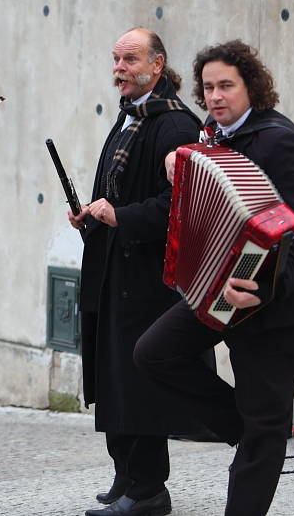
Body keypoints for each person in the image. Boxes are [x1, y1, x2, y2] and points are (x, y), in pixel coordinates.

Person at [134, 40, 294, 516]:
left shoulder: (280, 140)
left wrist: (263, 288)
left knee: (263, 430)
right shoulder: (209, 136)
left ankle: (261, 435)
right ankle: (256, 431)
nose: (216, 96)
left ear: (250, 88)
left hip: (270, 306)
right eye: (209, 87)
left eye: (226, 86)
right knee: (153, 353)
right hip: (216, 290)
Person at [68, 28, 211, 516]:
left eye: (129, 59)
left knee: (136, 384)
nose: (119, 68)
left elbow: (180, 206)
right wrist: (91, 212)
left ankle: (148, 491)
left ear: (157, 64)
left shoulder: (173, 126)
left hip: (146, 281)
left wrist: (119, 217)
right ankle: (127, 476)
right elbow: (116, 186)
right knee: (113, 379)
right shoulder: (132, 116)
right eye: (115, 59)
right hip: (115, 270)